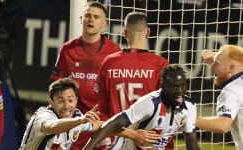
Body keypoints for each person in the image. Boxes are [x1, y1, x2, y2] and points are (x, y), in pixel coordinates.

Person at [50, 1, 121, 149]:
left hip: (102, 122)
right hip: (75, 120)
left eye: (96, 17)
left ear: (104, 23)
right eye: (88, 15)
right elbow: (57, 87)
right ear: (81, 19)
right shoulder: (67, 49)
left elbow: (118, 90)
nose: (91, 19)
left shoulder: (114, 51)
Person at [95, 11, 169, 149]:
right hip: (146, 141)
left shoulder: (108, 62)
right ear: (147, 33)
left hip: (115, 139)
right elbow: (165, 112)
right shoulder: (160, 65)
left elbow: (103, 109)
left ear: (124, 33)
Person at [19, 77, 160, 150]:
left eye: (70, 100)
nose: (66, 106)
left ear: (76, 100)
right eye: (60, 101)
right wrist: (81, 121)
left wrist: (133, 134)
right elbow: (52, 127)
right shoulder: (44, 116)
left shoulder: (76, 118)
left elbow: (100, 126)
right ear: (51, 102)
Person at [83, 65, 201, 150]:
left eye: (183, 86)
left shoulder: (189, 107)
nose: (180, 91)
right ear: (163, 87)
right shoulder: (150, 103)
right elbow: (113, 123)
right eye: (174, 87)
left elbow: (192, 145)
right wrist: (88, 148)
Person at [196, 45, 243, 149]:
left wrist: (188, 118)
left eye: (216, 63)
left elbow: (223, 125)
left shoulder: (232, 90)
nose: (212, 67)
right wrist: (216, 56)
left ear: (231, 68)